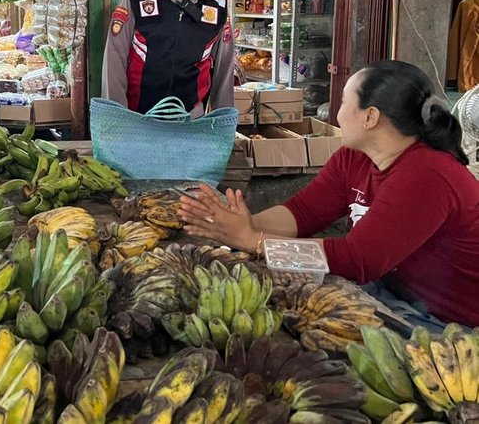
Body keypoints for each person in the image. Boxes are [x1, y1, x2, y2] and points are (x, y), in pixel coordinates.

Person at [177, 60, 479, 328]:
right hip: (392, 292)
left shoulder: (427, 173)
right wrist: (237, 224)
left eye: (345, 101)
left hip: (446, 323)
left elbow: (357, 260)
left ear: (370, 117)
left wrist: (252, 241)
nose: (337, 112)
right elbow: (302, 213)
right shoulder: (355, 157)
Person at [102, 0, 235, 118]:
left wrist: (223, 122)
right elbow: (115, 61)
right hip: (138, 117)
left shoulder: (217, 4)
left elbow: (224, 67)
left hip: (190, 120)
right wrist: (116, 121)